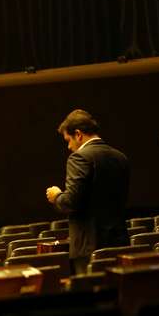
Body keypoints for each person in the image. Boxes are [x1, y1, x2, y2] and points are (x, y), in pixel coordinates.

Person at [45, 110, 130, 275]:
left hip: (89, 247)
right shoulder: (121, 157)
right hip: (119, 242)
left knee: (91, 290)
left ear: (78, 134)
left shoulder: (79, 158)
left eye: (68, 140)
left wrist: (57, 196)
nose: (69, 147)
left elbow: (71, 202)